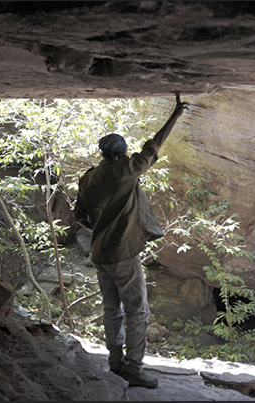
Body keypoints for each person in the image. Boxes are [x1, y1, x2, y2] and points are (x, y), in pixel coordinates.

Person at [73, 92, 189, 388]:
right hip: (123, 254)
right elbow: (153, 146)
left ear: (101, 154)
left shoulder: (87, 178)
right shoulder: (126, 171)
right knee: (138, 311)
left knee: (111, 309)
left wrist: (101, 226)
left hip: (100, 255)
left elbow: (79, 216)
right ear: (123, 154)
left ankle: (115, 364)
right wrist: (175, 114)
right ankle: (133, 369)